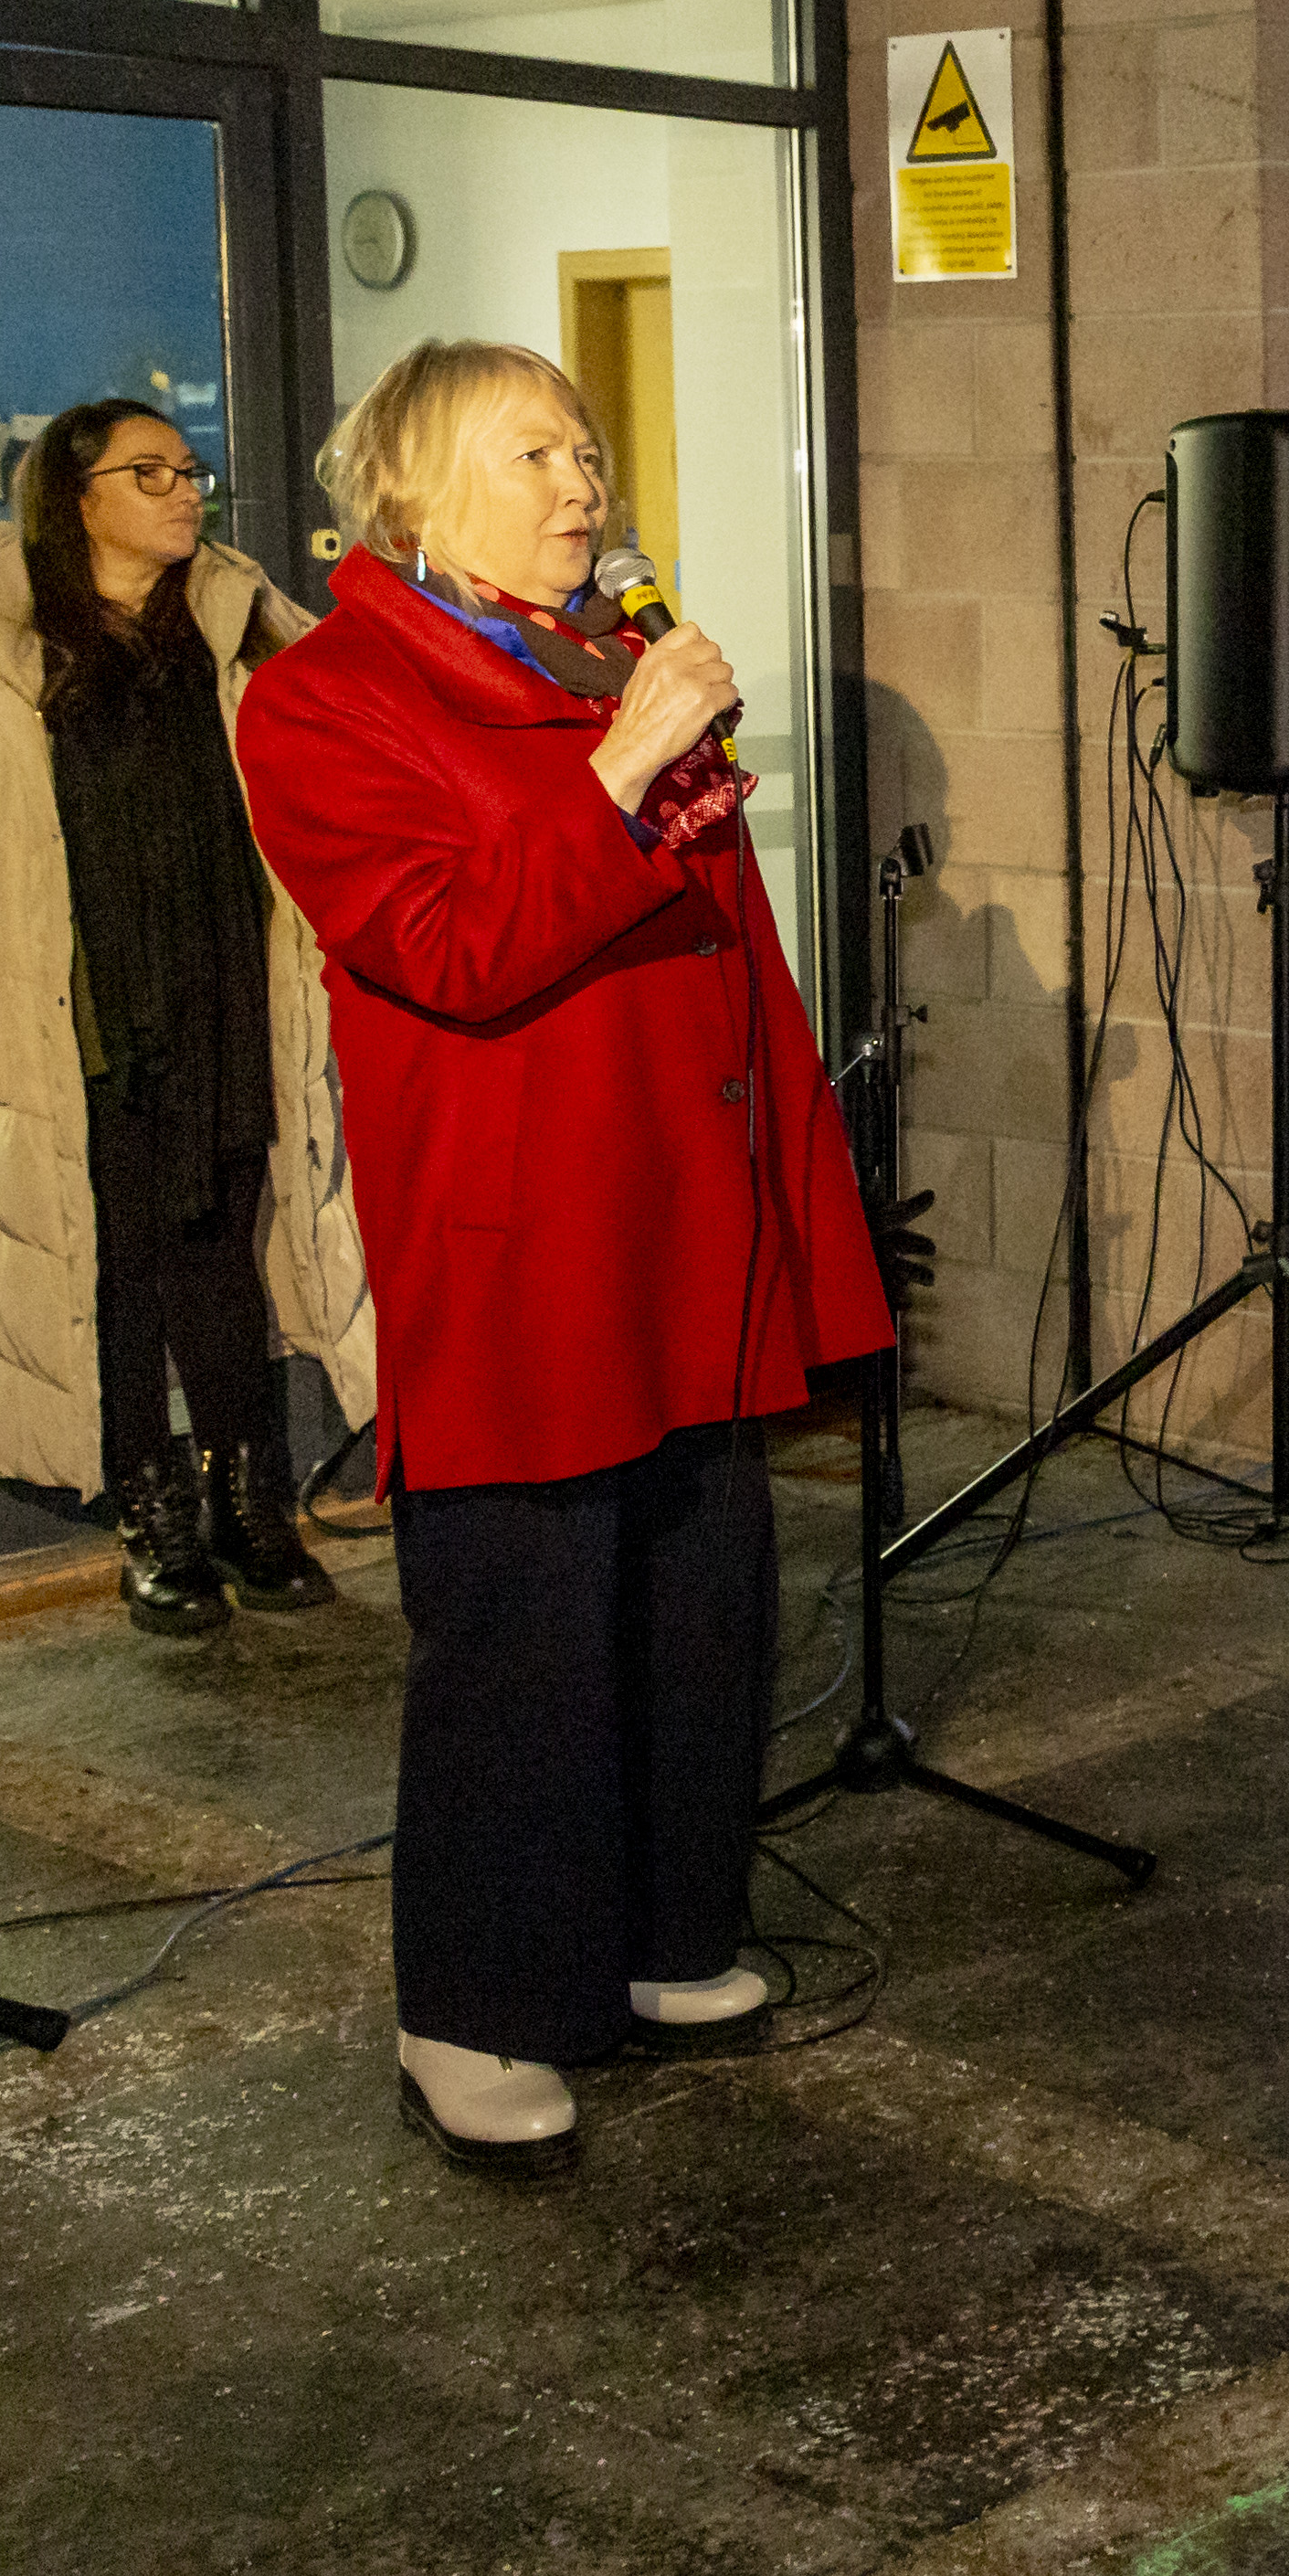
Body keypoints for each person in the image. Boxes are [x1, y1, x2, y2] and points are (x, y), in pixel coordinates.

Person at [234, 338, 890, 2179]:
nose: (582, 481)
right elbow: (449, 946)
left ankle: (666, 1935)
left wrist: (790, 1198)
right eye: (532, 451)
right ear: (414, 494)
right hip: (527, 1232)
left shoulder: (608, 653)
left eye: (587, 446)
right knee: (518, 1633)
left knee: (697, 1586)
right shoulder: (327, 700)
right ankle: (480, 2005)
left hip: (691, 1212)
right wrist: (620, 765)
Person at [0, 401, 372, 1627]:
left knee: (219, 1256)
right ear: (75, 498)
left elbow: (340, 750)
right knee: (100, 1266)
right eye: (147, 472)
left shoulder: (239, 621)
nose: (184, 491)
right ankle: (149, 1514)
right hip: (68, 1013)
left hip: (219, 990)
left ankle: (246, 1502)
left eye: (189, 469)